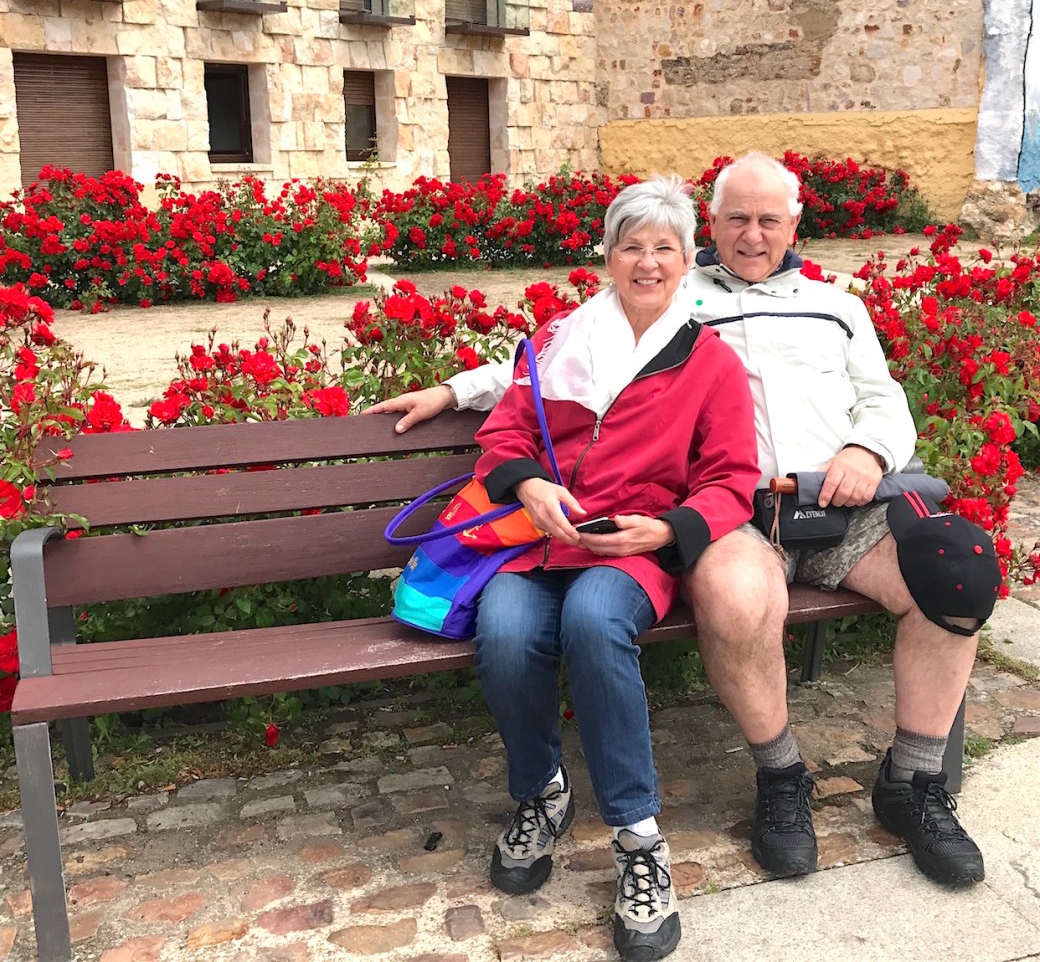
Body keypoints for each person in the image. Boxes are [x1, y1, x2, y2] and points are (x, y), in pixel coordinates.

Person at [368, 150, 990, 888]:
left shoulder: (838, 306)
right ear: (710, 227)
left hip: (844, 502)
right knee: (731, 595)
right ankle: (781, 775)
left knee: (957, 572)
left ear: (794, 223)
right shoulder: (671, 290)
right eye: (737, 218)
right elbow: (551, 363)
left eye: (769, 219)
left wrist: (867, 449)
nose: (753, 234)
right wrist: (450, 390)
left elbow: (883, 397)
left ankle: (914, 783)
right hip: (739, 515)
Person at [463, 177, 760, 962]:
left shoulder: (709, 361)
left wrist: (665, 529)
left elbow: (732, 479)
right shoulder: (560, 340)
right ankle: (543, 793)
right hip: (537, 540)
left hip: (632, 550)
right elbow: (505, 433)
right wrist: (529, 484)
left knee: (595, 622)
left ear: (688, 259)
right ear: (608, 255)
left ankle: (638, 839)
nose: (648, 262)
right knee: (503, 628)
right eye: (632, 245)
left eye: (665, 247)